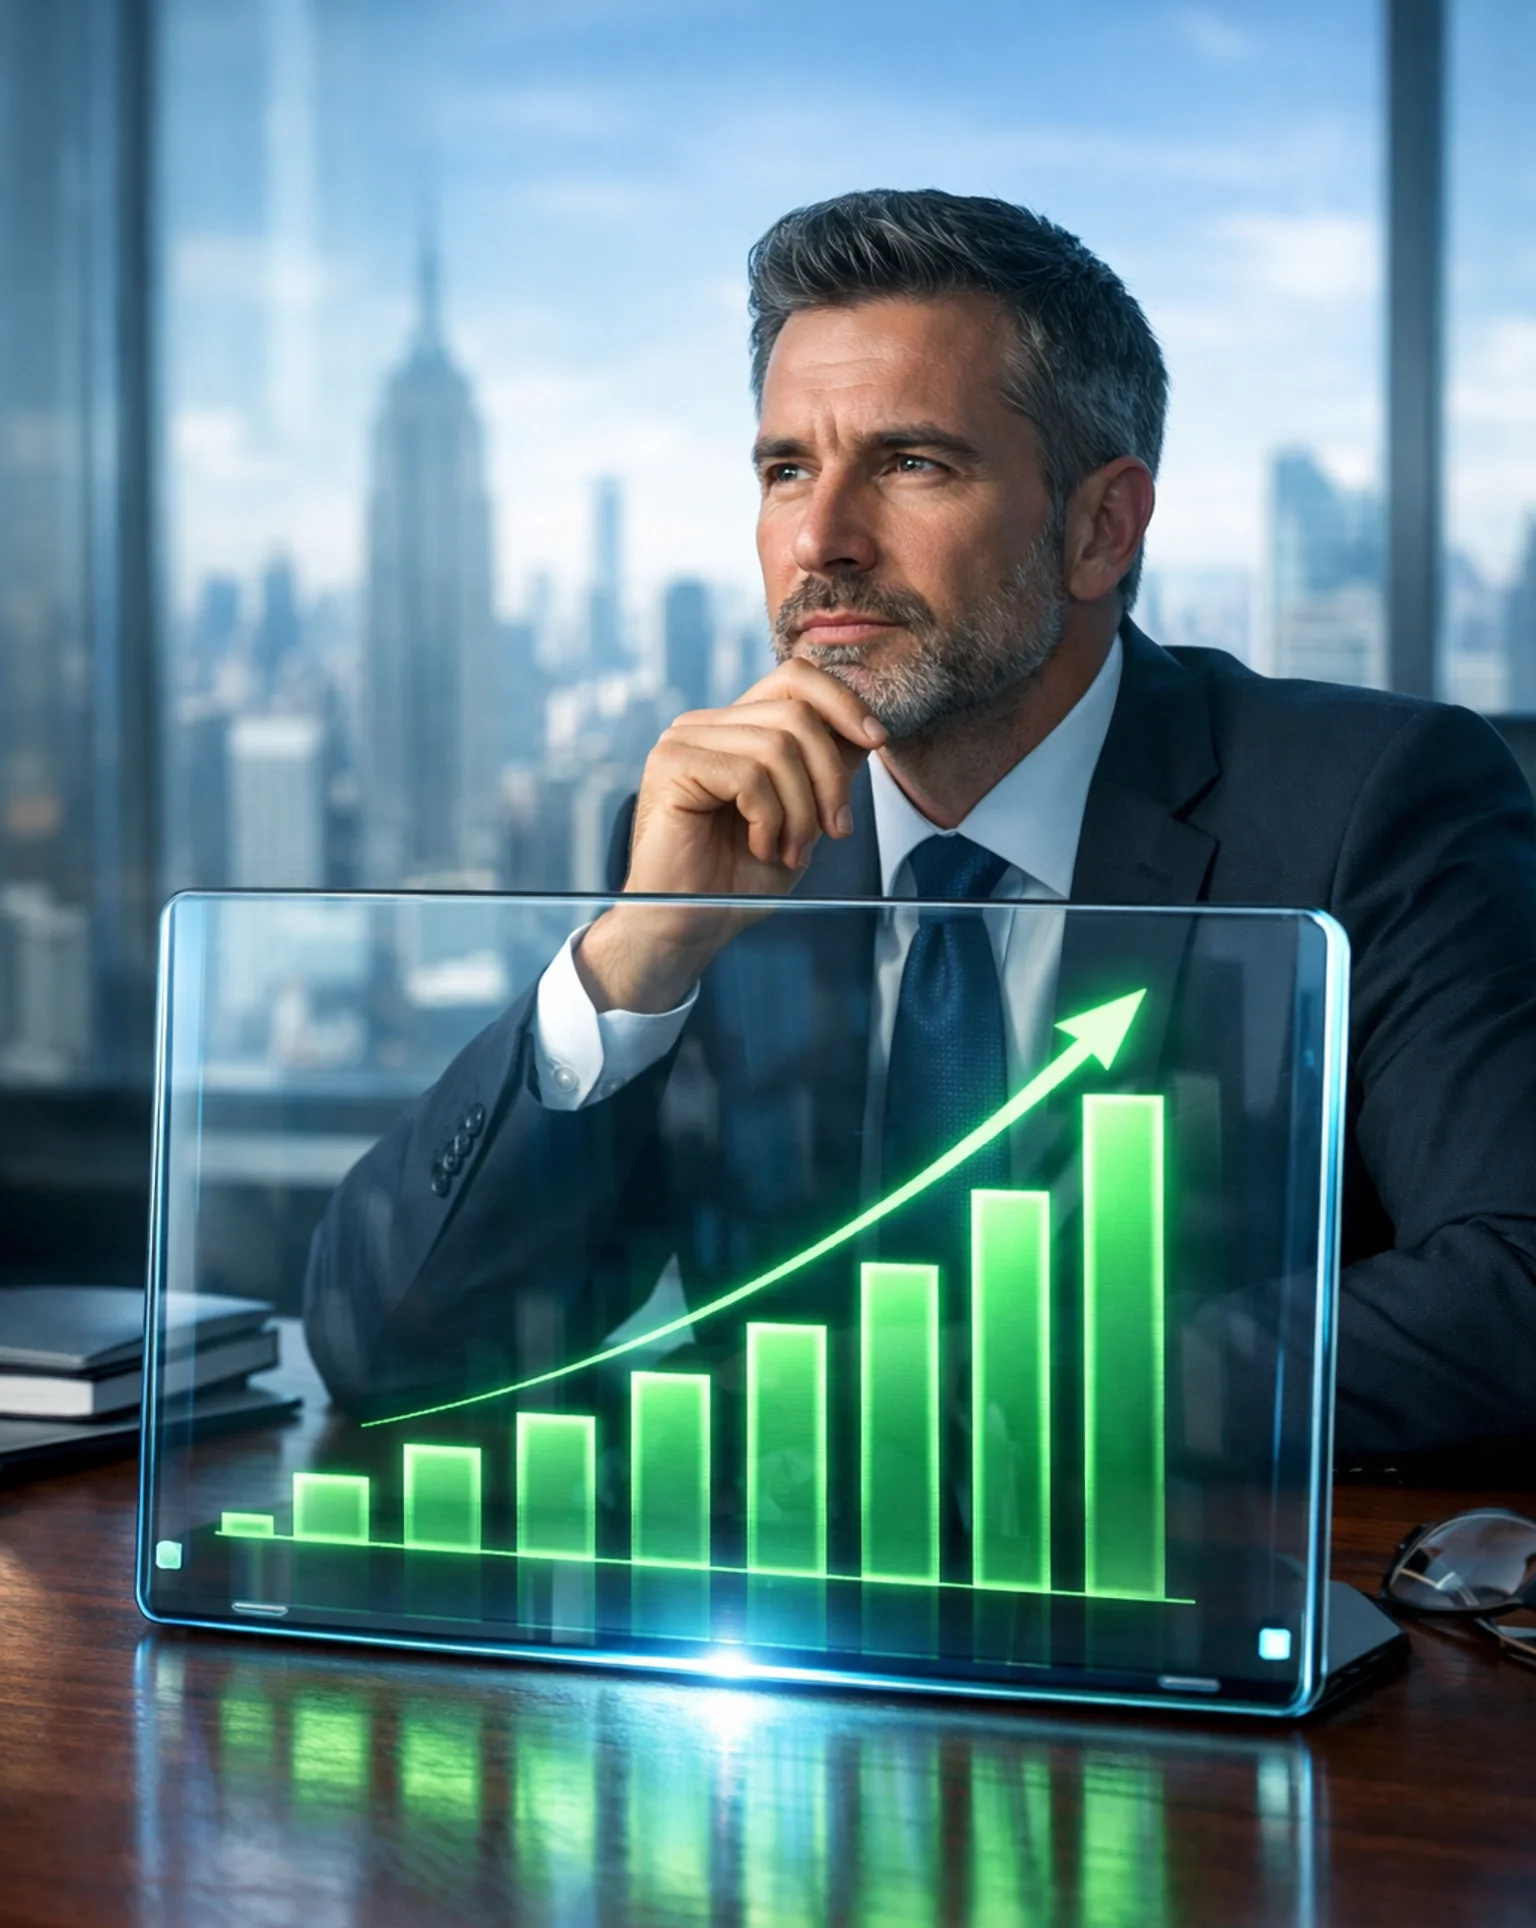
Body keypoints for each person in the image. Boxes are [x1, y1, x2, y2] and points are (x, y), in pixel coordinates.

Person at [305, 189, 1536, 1458]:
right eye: (788, 470)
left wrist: (976, 1410)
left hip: (1212, 1600)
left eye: (910, 464)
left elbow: (1514, 1298)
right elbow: (384, 1352)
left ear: (1100, 528)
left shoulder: (1370, 804)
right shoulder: (713, 848)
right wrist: (638, 961)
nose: (822, 540)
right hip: (794, 1632)